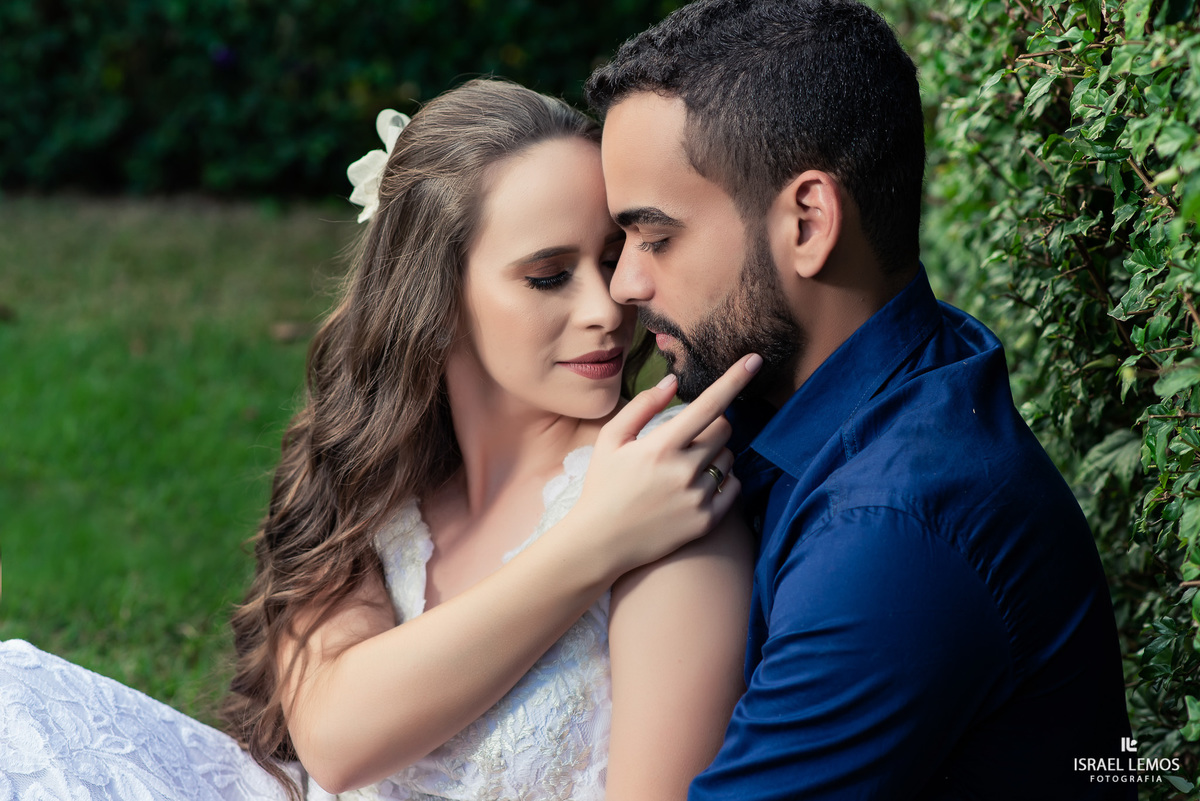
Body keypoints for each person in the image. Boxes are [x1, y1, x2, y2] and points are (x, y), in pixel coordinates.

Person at [0, 78, 757, 800]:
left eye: (611, 257)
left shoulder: (663, 479)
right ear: (434, 294)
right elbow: (336, 734)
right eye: (548, 275)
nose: (609, 303)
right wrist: (594, 540)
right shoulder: (381, 479)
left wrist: (616, 524)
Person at [576, 0, 1135, 798]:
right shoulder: (840, 377)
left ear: (809, 221)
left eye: (656, 237)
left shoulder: (894, 534)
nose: (626, 284)